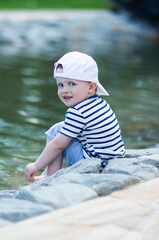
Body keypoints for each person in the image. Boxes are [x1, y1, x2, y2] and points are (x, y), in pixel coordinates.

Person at [25, 51, 125, 182]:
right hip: (112, 160)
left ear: (91, 87)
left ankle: (51, 174)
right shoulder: (99, 103)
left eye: (71, 83)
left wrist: (36, 165)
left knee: (57, 134)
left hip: (95, 165)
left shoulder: (78, 111)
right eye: (60, 85)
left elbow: (58, 145)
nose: (64, 90)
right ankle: (51, 172)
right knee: (59, 128)